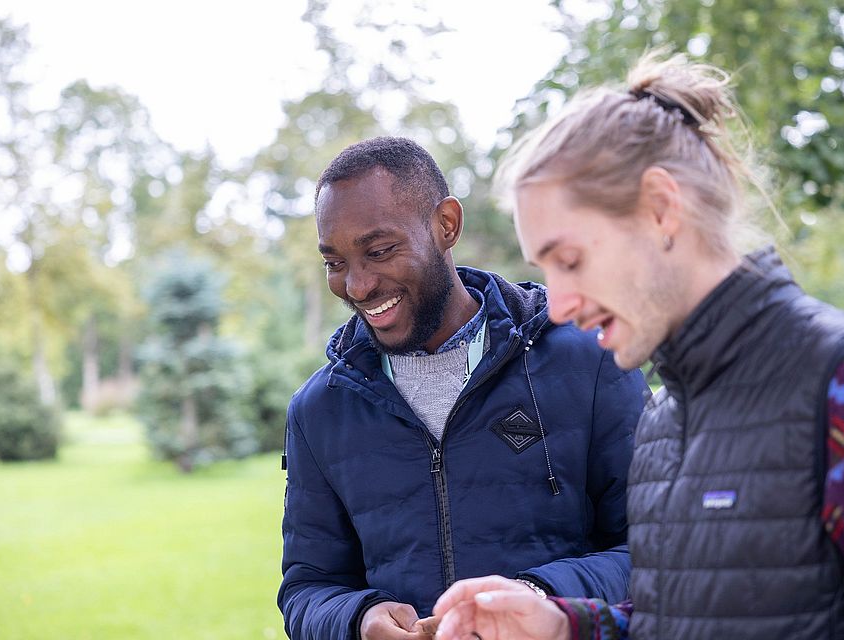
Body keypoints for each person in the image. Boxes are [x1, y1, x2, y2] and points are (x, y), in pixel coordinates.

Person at [432, 51, 844, 640]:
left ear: (661, 208)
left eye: (570, 261)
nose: (559, 304)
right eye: (545, 270)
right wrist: (566, 626)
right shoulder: (661, 423)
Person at [277, 136, 649, 640]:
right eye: (335, 263)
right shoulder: (318, 411)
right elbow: (308, 588)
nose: (358, 286)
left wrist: (537, 600)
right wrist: (358, 619)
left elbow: (658, 549)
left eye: (380, 251)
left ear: (446, 224)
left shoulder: (591, 360)